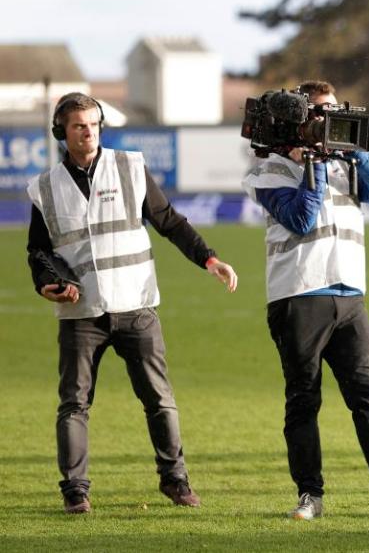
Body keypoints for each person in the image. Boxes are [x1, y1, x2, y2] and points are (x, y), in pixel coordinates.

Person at [26, 92, 239, 514]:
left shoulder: (130, 167)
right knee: (74, 404)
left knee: (159, 399)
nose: (87, 132)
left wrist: (208, 258)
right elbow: (38, 254)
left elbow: (171, 222)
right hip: (81, 314)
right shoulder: (44, 188)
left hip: (137, 307)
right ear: (61, 133)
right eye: (77, 126)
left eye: (93, 124)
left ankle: (176, 482)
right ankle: (75, 492)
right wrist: (48, 283)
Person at [241, 80, 369, 520]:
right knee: (304, 400)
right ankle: (310, 495)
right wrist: (315, 165)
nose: (326, 122)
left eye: (332, 113)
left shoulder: (345, 162)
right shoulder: (268, 171)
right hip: (297, 294)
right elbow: (302, 218)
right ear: (299, 118)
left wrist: (350, 150)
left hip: (349, 293)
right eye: (317, 114)